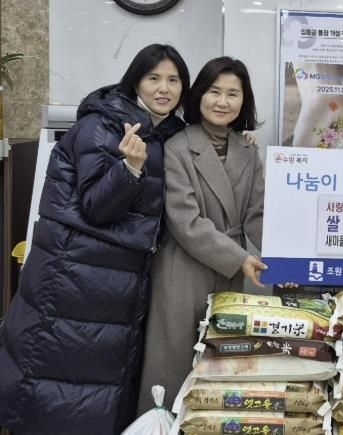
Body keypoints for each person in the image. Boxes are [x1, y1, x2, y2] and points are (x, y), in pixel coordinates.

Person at [0, 44, 190, 433]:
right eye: (154, 78)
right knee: (59, 381)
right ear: (135, 81)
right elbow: (97, 207)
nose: (164, 88)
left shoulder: (163, 131)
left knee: (88, 386)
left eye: (173, 80)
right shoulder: (103, 126)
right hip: (74, 276)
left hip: (110, 280)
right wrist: (130, 168)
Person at [136, 56, 268, 414]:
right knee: (172, 366)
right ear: (199, 96)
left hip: (232, 272)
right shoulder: (176, 146)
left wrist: (288, 259)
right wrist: (240, 258)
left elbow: (256, 215)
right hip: (182, 270)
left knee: (221, 365)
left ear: (244, 100)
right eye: (214, 92)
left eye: (233, 94)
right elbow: (185, 221)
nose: (222, 102)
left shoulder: (249, 151)